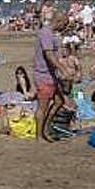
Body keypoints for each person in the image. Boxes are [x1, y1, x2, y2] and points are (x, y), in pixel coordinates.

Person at [33, 12, 67, 142]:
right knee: (43, 106)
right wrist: (63, 69)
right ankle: (39, 135)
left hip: (51, 74)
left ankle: (46, 127)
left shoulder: (50, 34)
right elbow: (49, 55)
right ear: (59, 21)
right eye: (65, 24)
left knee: (59, 101)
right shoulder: (46, 33)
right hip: (43, 75)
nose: (65, 27)